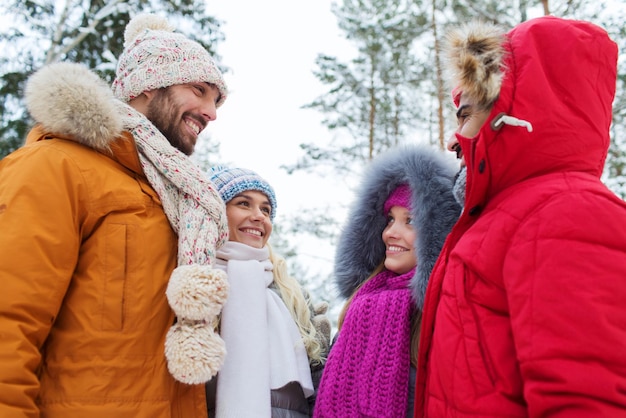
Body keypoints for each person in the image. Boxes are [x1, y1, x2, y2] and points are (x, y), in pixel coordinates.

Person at [0, 13, 231, 417]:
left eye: (217, 100)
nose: (211, 112)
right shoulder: (54, 166)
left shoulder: (179, 201)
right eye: (199, 90)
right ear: (146, 87)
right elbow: (9, 320)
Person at [414, 16, 626, 417]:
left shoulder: (567, 213)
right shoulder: (501, 220)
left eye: (465, 113)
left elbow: (588, 399)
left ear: (508, 109)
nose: (451, 139)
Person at [313, 144, 460, 418]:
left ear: (436, 234)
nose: (391, 232)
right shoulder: (359, 306)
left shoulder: (445, 315)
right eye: (390, 219)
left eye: (411, 221)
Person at [205, 166, 331, 418]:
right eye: (244, 203)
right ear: (215, 211)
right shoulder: (194, 287)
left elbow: (320, 388)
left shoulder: (292, 295)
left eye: (266, 210)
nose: (259, 216)